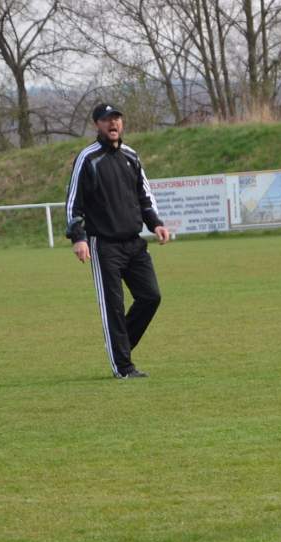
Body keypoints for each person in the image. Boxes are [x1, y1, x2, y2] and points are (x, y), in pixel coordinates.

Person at [65, 101, 171, 379]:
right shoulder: (87, 158)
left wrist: (156, 223)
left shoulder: (131, 156)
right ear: (97, 125)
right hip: (104, 244)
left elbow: (144, 196)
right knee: (113, 306)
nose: (113, 123)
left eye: (117, 118)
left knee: (151, 297)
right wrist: (78, 237)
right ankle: (123, 367)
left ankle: (118, 346)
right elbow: (74, 202)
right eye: (107, 119)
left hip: (134, 243)